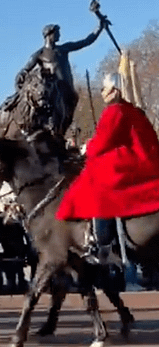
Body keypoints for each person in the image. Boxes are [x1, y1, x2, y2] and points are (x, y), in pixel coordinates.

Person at [55, 68, 159, 254]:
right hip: (145, 159)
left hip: (132, 160)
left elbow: (102, 142)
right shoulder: (132, 110)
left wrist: (88, 147)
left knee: (94, 176)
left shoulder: (114, 111)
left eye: (105, 88)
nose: (102, 92)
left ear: (115, 90)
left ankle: (103, 239)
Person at [4, 17, 108, 139]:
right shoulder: (40, 54)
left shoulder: (64, 48)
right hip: (53, 91)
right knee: (54, 115)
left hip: (68, 90)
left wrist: (99, 27)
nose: (59, 35)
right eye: (57, 33)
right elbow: (26, 69)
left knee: (68, 115)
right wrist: (21, 76)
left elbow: (86, 41)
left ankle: (59, 135)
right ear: (49, 35)